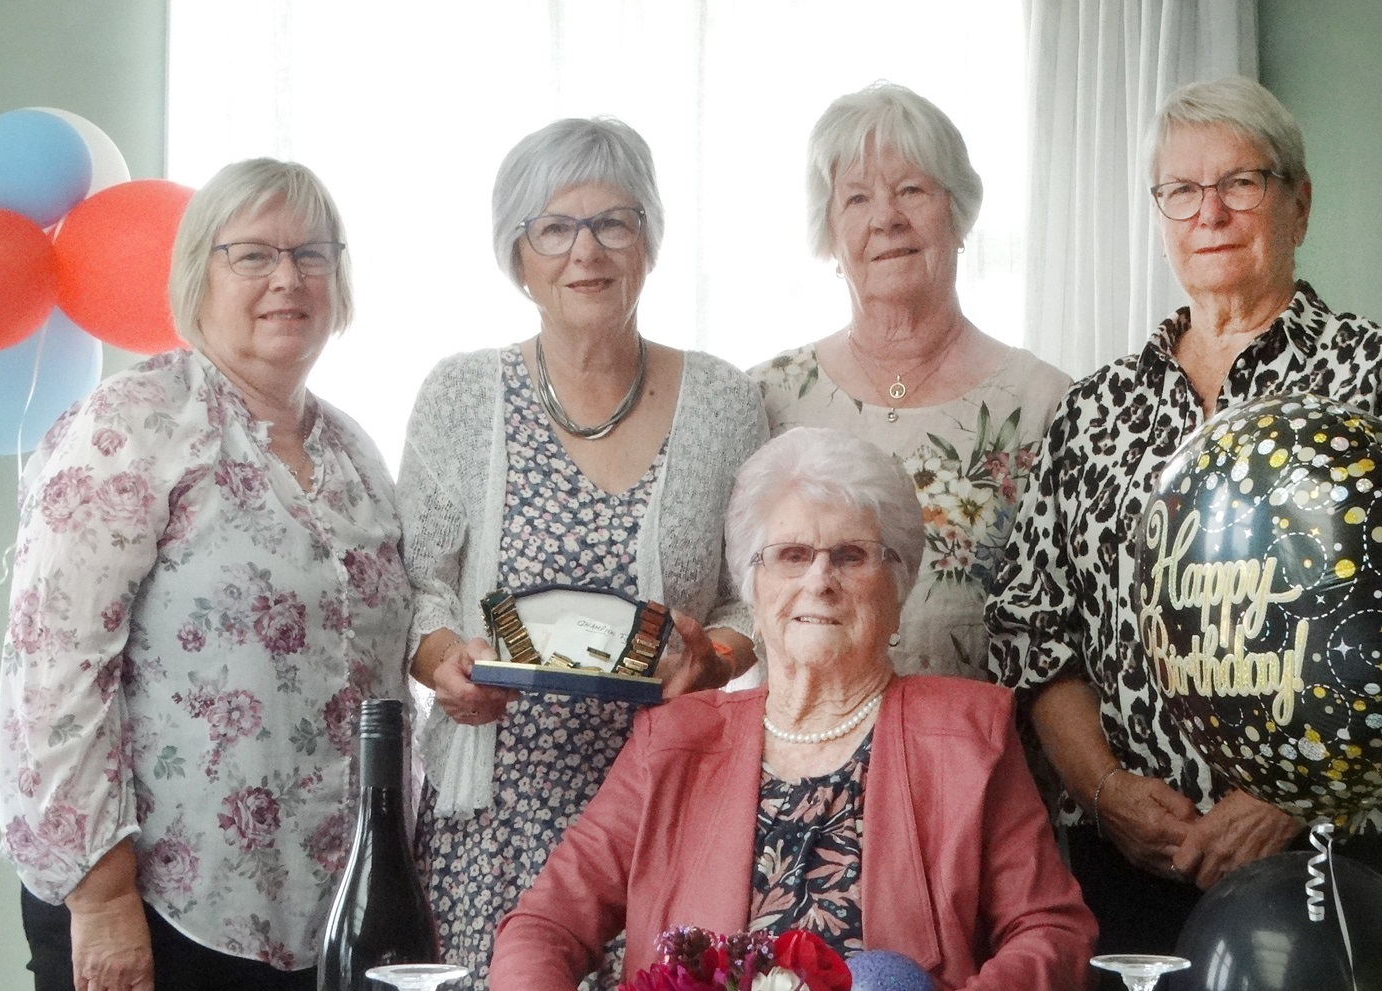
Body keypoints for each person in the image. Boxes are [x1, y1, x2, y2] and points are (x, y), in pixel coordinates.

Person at [986, 76, 1382, 956]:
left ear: (1298, 203)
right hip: (1128, 863)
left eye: (1240, 183)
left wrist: (1286, 796)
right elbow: (1033, 629)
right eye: (1181, 190)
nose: (1209, 213)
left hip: (1334, 855)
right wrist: (1106, 793)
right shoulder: (1093, 408)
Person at [0, 159, 411, 991]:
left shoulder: (355, 451)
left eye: (311, 254)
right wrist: (103, 897)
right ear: (196, 275)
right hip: (153, 913)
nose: (287, 278)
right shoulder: (132, 425)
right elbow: (54, 669)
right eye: (253, 254)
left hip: (327, 916)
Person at [487, 427, 1097, 991]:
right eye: (792, 555)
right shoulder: (670, 742)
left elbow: (1051, 931)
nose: (820, 580)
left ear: (898, 588)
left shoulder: (968, 734)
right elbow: (545, 925)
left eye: (851, 555)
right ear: (752, 590)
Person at [396, 117, 767, 989]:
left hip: (666, 811)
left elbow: (755, 593)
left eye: (613, 223)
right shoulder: (460, 394)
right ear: (516, 255)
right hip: (493, 817)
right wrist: (446, 662)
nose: (585, 251)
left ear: (649, 240)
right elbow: (416, 586)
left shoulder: (725, 400)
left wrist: (713, 660)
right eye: (554, 228)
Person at [750, 83, 1071, 681]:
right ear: (830, 233)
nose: (886, 218)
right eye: (857, 198)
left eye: (911, 190)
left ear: (958, 213)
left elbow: (1066, 629)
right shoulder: (766, 400)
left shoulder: (1044, 403)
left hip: (983, 737)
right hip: (800, 734)